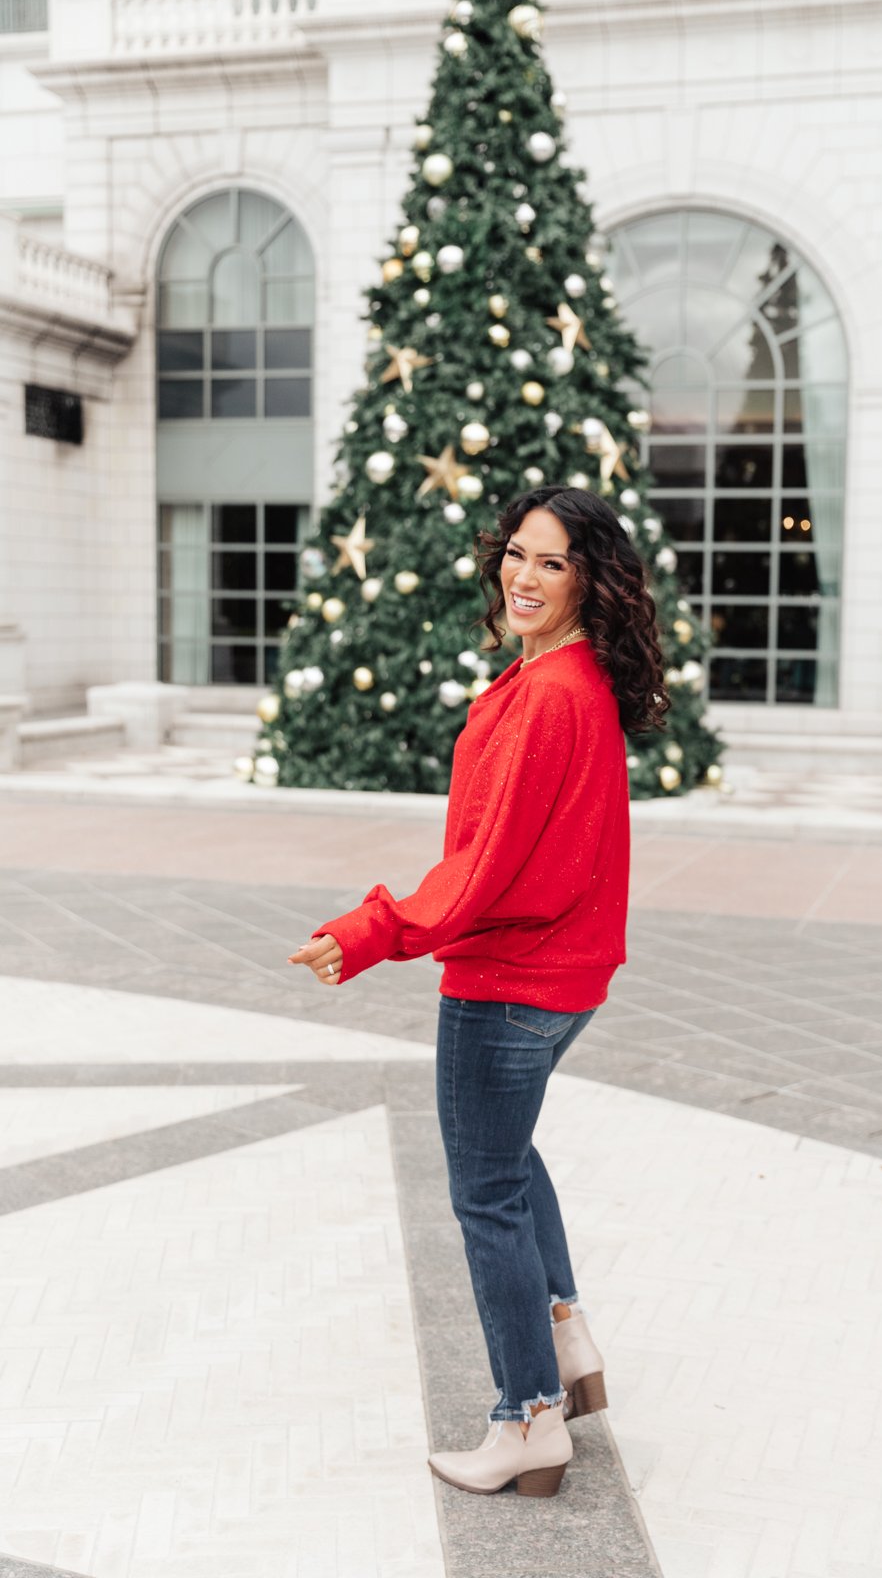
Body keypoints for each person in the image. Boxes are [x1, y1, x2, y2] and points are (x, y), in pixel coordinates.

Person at [288, 485, 670, 1497]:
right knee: (507, 1156)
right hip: (558, 978)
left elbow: (488, 865)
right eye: (516, 553)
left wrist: (372, 929)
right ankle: (562, 1330)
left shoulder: (549, 696)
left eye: (550, 561)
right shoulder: (564, 677)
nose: (523, 575)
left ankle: (528, 1418)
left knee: (484, 1191)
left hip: (507, 981)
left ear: (590, 577)